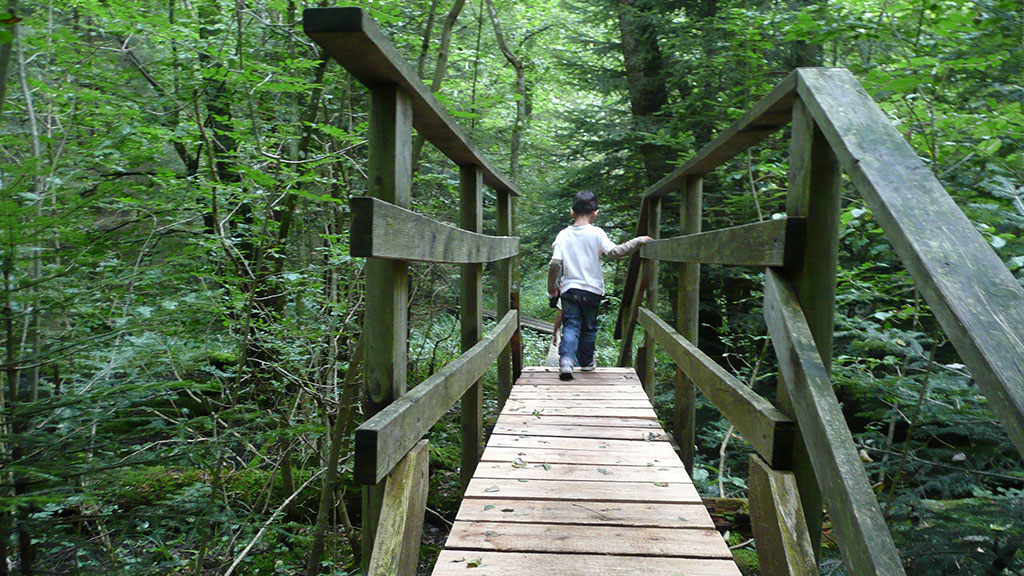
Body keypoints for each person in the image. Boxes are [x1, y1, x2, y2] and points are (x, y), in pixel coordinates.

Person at [548, 190, 652, 380]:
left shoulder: (563, 235)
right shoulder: (597, 233)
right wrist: (639, 240)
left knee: (571, 325)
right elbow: (616, 252)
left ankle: (566, 361)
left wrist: (552, 286)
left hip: (570, 289)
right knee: (589, 327)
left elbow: (555, 262)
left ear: (572, 212)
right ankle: (586, 362)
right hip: (592, 290)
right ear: (595, 212)